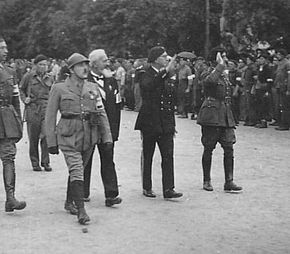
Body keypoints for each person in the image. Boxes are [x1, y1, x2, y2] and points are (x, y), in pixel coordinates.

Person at [45, 53, 112, 224]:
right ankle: (81, 210)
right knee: (76, 168)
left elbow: (101, 112)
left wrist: (107, 138)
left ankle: (69, 202)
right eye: (81, 65)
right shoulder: (59, 88)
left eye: (87, 65)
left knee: (79, 169)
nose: (85, 68)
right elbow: (50, 116)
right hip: (68, 135)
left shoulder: (92, 87)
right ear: (71, 69)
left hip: (89, 136)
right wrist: (51, 142)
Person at [134, 46, 183, 199]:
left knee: (168, 155)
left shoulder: (167, 75)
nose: (166, 59)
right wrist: (164, 72)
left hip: (165, 121)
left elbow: (171, 99)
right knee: (148, 154)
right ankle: (147, 187)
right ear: (155, 59)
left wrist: (172, 124)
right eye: (164, 56)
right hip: (150, 120)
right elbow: (148, 86)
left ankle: (168, 188)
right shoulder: (144, 73)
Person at [80, 49, 122, 207]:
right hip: (89, 127)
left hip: (107, 128)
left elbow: (117, 106)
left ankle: (111, 195)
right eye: (104, 60)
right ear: (94, 63)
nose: (107, 63)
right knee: (86, 160)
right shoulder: (84, 80)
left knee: (108, 160)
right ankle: (82, 192)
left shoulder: (111, 80)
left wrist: (114, 131)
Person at [197, 50, 242, 193]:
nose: (226, 60)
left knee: (229, 148)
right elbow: (209, 82)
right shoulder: (208, 73)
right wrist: (220, 67)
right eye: (222, 57)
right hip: (211, 115)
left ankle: (229, 181)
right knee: (209, 148)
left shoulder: (223, 74)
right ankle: (207, 180)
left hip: (225, 115)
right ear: (214, 60)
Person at [0, 35, 26, 212]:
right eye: (2, 48)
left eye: (6, 48)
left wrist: (18, 119)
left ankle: (10, 198)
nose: (6, 51)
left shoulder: (10, 72)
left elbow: (16, 99)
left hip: (6, 118)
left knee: (9, 157)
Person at [19, 54, 53, 171]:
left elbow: (53, 92)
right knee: (33, 137)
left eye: (45, 65)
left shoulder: (50, 77)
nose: (43, 67)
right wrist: (24, 99)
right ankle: (35, 162)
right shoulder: (28, 76)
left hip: (46, 108)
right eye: (41, 65)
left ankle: (46, 162)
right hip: (33, 108)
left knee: (46, 135)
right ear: (35, 65)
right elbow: (21, 89)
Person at [274, 49, 290, 131]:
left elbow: (288, 77)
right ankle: (281, 122)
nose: (278, 56)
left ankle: (285, 124)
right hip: (279, 86)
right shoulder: (280, 63)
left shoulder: (287, 63)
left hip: (284, 87)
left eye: (279, 54)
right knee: (280, 105)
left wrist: (288, 89)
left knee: (285, 106)